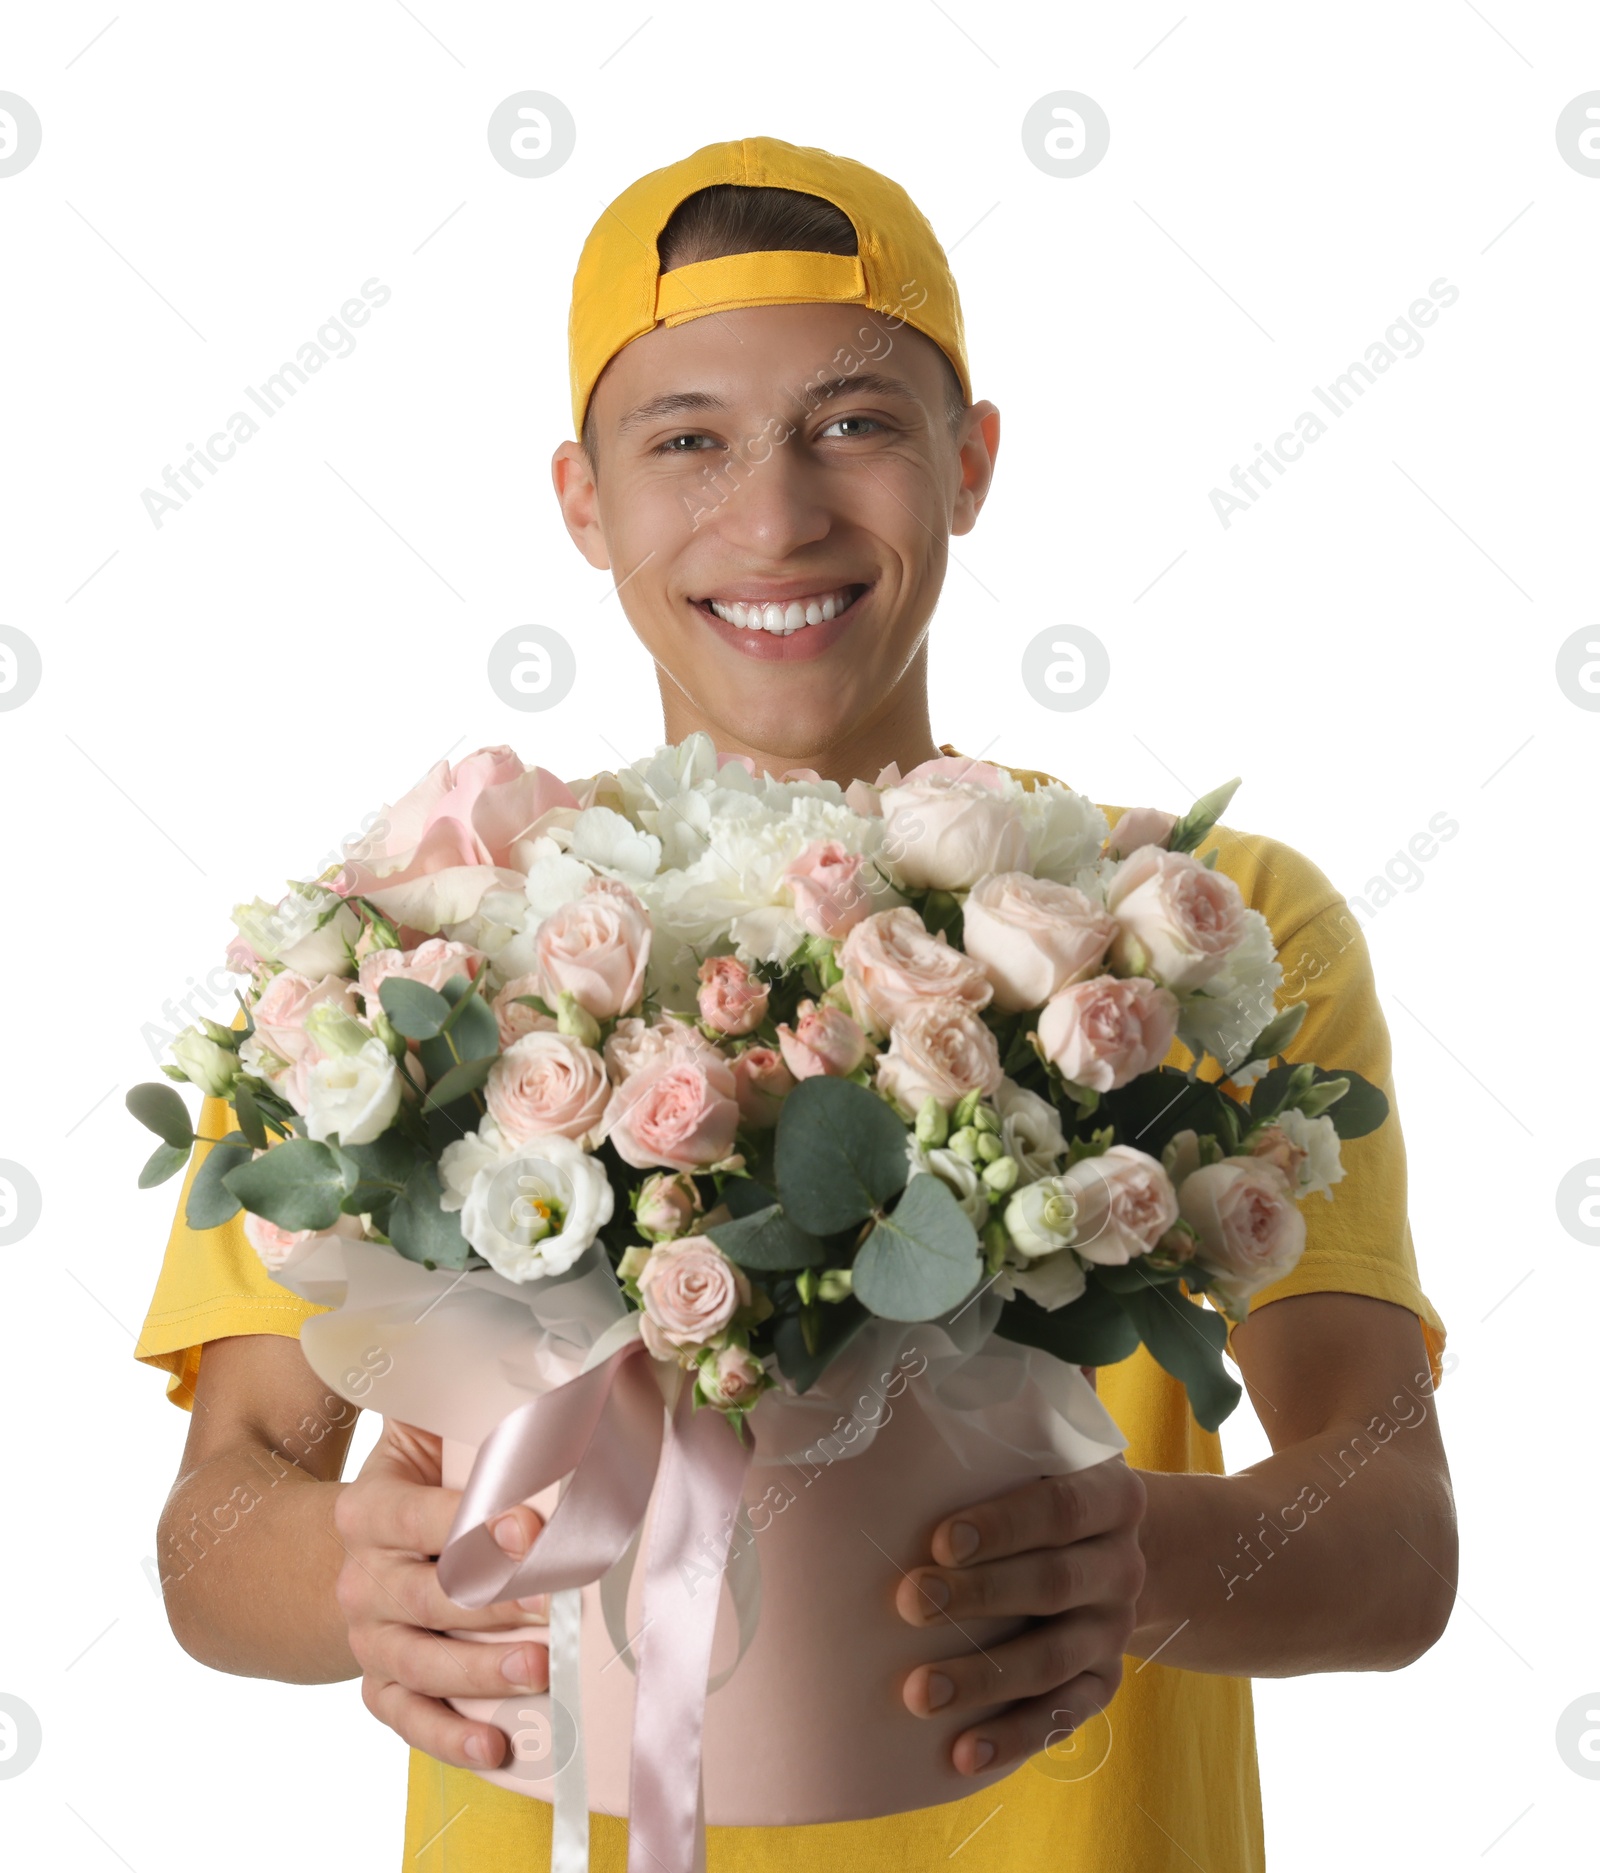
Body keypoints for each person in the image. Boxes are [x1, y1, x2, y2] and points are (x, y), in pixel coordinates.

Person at [137, 137, 1456, 1870]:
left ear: (971, 462)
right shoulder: (412, 954)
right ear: (581, 498)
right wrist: (346, 1577)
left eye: (856, 425)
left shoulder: (1198, 934)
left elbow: (1391, 1531)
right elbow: (225, 1504)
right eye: (687, 439)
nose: (775, 516)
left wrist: (1144, 1559)